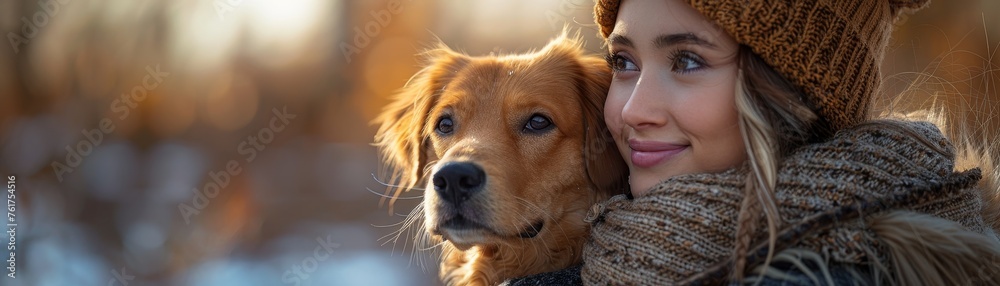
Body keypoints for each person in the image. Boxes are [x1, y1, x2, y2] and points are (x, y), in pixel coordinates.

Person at [503, 0, 1000, 284]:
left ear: (792, 92)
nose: (630, 111)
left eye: (688, 61)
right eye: (624, 63)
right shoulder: (602, 249)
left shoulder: (829, 276)